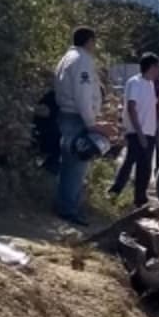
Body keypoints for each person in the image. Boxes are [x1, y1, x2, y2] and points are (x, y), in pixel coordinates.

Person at [53, 26, 105, 225]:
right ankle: (68, 210)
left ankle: (64, 205)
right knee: (76, 164)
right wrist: (92, 123)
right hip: (77, 117)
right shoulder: (82, 60)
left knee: (68, 164)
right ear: (89, 41)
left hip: (67, 114)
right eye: (94, 42)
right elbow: (82, 94)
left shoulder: (67, 58)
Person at [110, 53, 159, 207]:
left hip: (149, 132)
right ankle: (116, 192)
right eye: (157, 67)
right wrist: (139, 133)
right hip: (137, 131)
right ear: (151, 67)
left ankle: (139, 198)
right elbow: (132, 108)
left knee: (144, 166)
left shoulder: (150, 84)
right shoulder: (135, 82)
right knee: (131, 162)